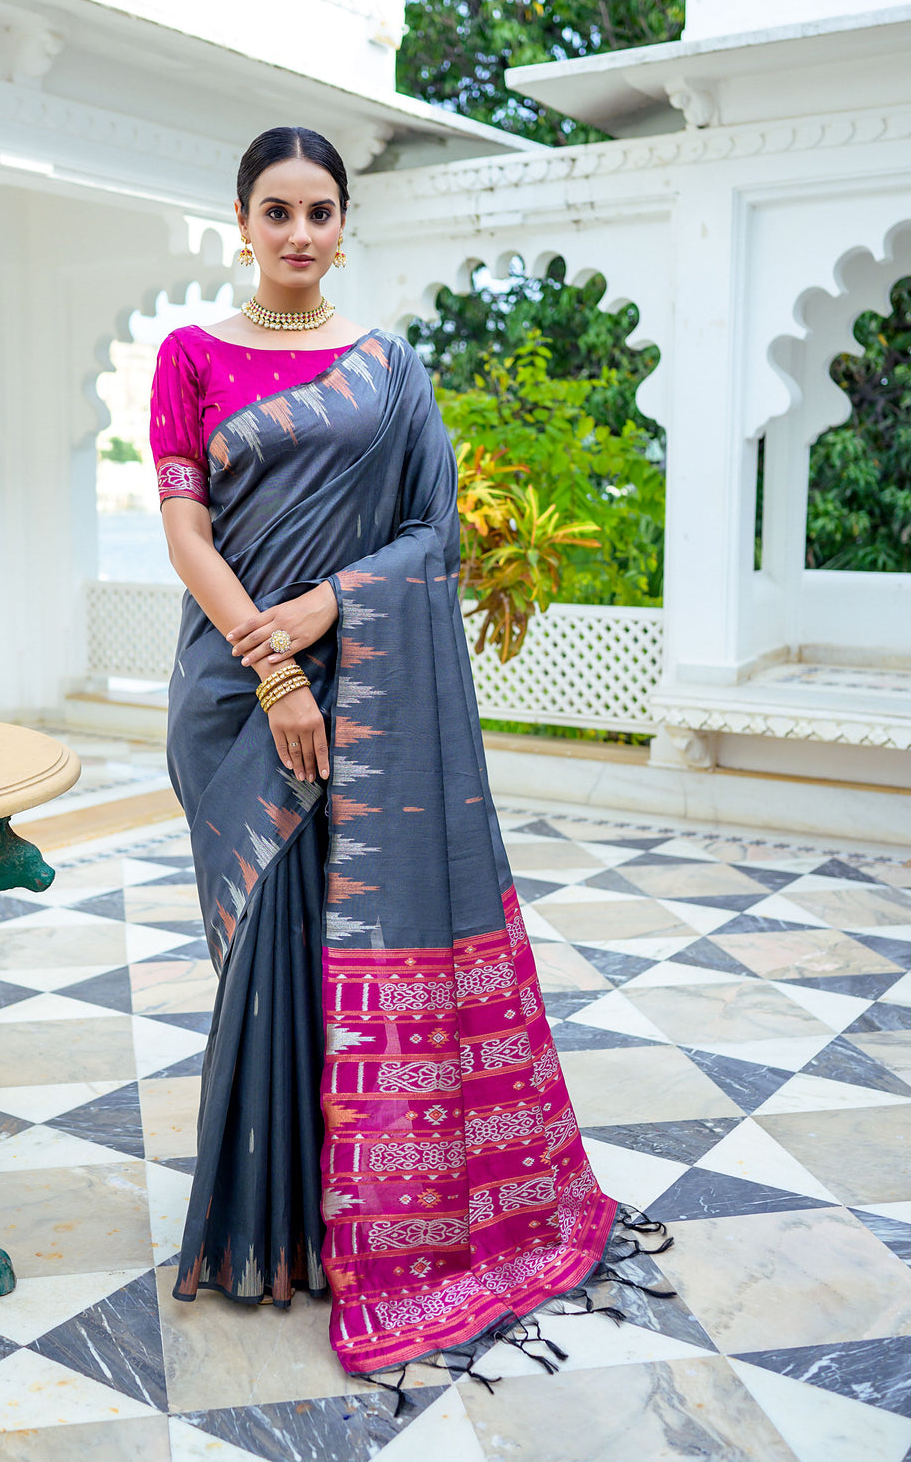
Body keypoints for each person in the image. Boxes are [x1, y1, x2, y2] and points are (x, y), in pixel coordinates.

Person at [149, 126, 646, 1381]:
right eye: (278, 211)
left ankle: (365, 1221)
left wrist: (326, 612)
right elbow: (187, 532)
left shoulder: (390, 371)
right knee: (273, 945)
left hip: (360, 683)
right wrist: (273, 670)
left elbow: (434, 536)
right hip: (234, 684)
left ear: (344, 224)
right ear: (242, 222)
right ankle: (273, 1230)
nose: (300, 234)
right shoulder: (193, 358)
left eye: (321, 212)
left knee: (346, 937)